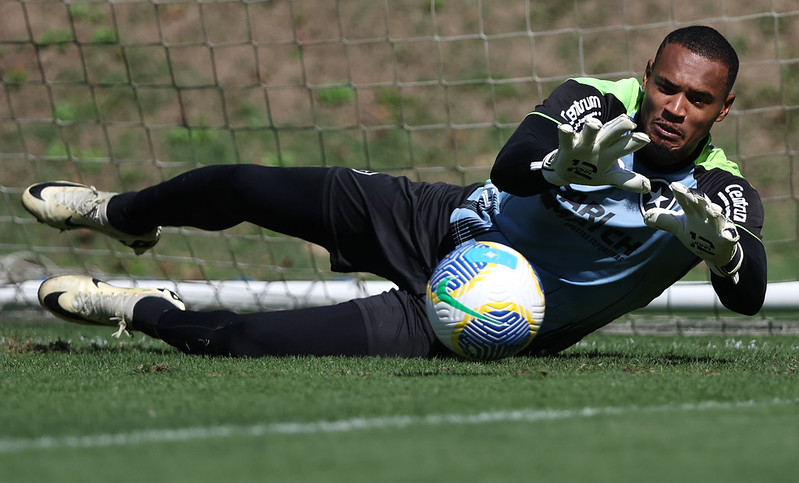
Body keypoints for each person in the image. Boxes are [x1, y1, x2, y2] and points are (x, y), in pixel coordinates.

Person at [22, 25, 766, 359]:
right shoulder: (595, 102)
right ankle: (117, 215)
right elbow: (513, 162)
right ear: (645, 74)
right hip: (441, 220)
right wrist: (558, 171)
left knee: (249, 341)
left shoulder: (719, 193)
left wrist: (725, 256)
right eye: (664, 85)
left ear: (721, 109)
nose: (673, 106)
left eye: (696, 99)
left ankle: (140, 307)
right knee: (242, 183)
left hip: (479, 316)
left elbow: (746, 294)